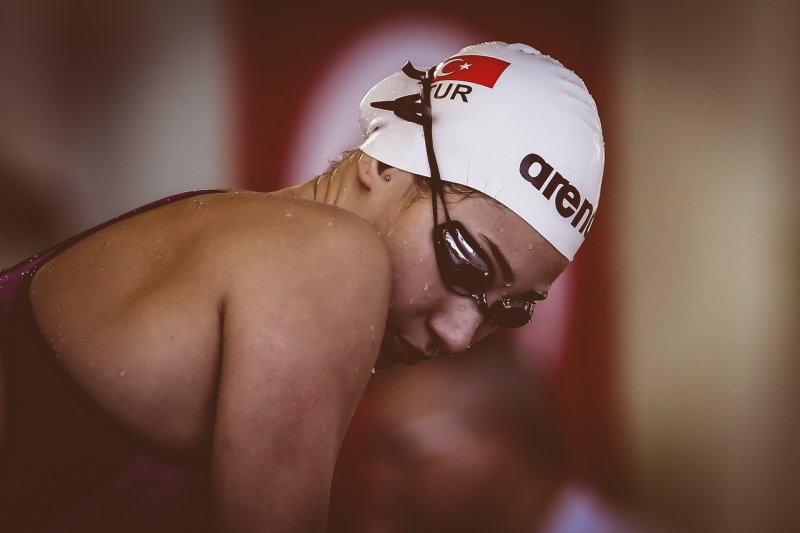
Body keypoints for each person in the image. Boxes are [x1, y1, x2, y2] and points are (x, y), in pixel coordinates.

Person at [0, 41, 604, 532]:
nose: (460, 334)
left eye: (511, 309)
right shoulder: (329, 256)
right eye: (466, 262)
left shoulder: (224, 229)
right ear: (384, 165)